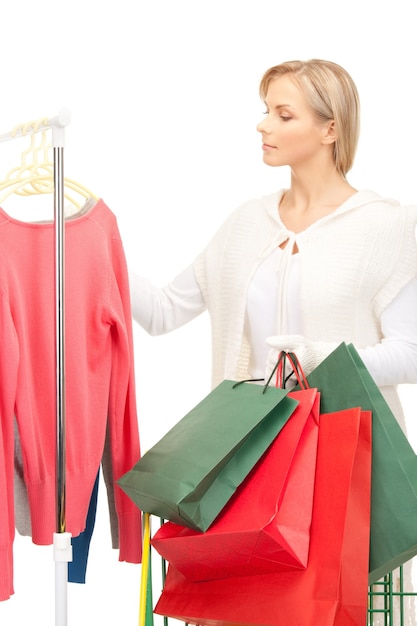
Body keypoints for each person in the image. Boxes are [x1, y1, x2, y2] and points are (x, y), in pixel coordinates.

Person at [129, 59, 417, 623]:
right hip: (245, 463)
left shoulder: (386, 227)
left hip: (343, 462)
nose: (263, 125)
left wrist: (321, 359)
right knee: (241, 605)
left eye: (283, 114)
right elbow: (164, 312)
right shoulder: (246, 224)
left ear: (330, 129)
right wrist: (93, 241)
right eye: (266, 111)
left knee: (340, 607)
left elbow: (412, 349)